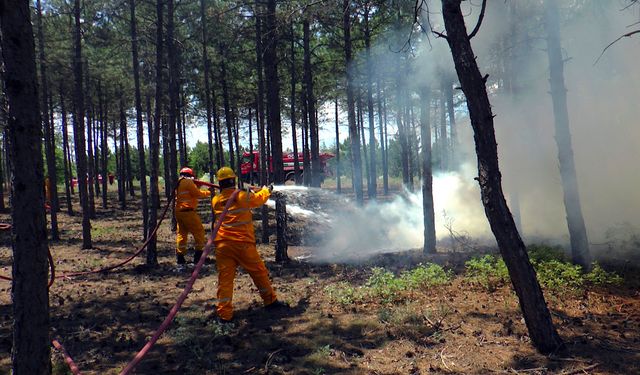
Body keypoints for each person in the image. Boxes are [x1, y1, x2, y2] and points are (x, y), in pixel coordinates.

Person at [211, 166, 287, 322]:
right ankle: (270, 301)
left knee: (225, 280)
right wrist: (267, 190)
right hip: (242, 244)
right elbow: (258, 200)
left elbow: (240, 198)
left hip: (222, 246)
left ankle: (224, 315)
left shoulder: (215, 200)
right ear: (233, 180)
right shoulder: (240, 196)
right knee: (259, 272)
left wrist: (249, 191)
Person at [175, 167, 211, 272]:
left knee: (182, 234)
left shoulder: (179, 183)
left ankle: (180, 258)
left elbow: (190, 193)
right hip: (188, 212)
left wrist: (196, 186)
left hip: (179, 212)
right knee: (199, 232)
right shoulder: (188, 182)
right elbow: (197, 194)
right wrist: (209, 193)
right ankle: (198, 257)